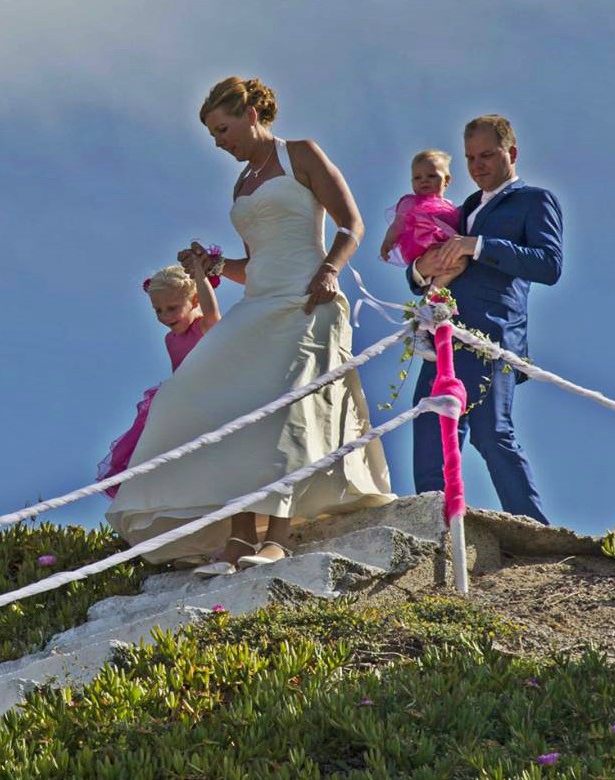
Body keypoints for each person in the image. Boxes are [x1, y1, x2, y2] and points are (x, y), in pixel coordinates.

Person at [105, 77, 394, 576]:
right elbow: (255, 264)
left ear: (252, 114)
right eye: (213, 135)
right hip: (260, 304)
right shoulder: (241, 183)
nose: (219, 142)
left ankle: (275, 539)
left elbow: (352, 223)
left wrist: (329, 269)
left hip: (309, 300)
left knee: (284, 412)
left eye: (223, 129)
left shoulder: (300, 153)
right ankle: (238, 536)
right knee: (215, 406)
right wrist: (213, 268)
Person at [406, 114, 562, 524]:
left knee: (492, 434)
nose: (478, 166)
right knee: (430, 426)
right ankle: (435, 530)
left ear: (511, 153)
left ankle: (536, 533)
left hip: (492, 336)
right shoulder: (463, 208)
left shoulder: (535, 200)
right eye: (471, 158)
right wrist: (421, 269)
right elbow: (422, 267)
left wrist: (478, 245)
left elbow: (549, 265)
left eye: (487, 155)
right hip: (441, 336)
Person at [97, 261, 222, 498]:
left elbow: (212, 313)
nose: (165, 316)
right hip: (180, 403)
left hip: (211, 396)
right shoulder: (170, 339)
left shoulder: (203, 327)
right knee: (159, 454)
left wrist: (199, 273)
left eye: (172, 308)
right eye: (158, 310)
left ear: (194, 301)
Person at [378, 149, 463, 287]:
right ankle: (433, 293)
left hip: (444, 245)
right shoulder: (410, 202)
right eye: (417, 177)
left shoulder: (451, 207)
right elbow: (397, 224)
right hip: (420, 243)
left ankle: (436, 293)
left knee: (458, 263)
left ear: (446, 180)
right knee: (454, 262)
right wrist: (388, 241)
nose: (424, 180)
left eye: (431, 175)